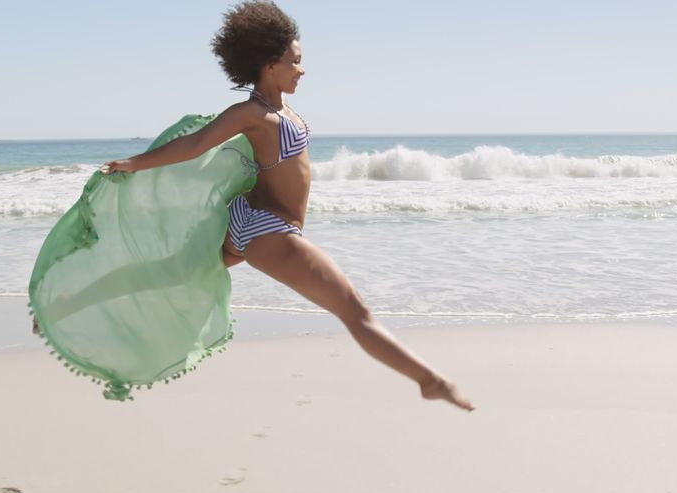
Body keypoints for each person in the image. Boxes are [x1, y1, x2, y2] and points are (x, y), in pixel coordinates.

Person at [100, 1, 473, 411]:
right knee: (355, 311)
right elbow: (195, 144)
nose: (302, 68)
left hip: (246, 223)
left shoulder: (279, 109)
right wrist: (135, 163)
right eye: (295, 61)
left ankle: (65, 304)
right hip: (268, 230)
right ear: (269, 63)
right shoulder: (252, 113)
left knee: (171, 272)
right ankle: (430, 381)